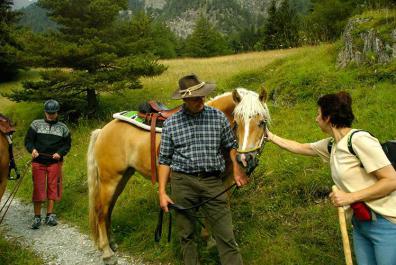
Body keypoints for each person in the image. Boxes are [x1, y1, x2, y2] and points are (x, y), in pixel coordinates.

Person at [266, 91, 396, 265]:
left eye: (318, 114)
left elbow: (391, 180)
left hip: (386, 223)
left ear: (328, 117)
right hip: (361, 224)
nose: (316, 118)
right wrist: (269, 136)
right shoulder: (333, 145)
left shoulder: (359, 140)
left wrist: (350, 197)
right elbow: (300, 147)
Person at [158, 74, 248, 265]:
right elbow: (164, 159)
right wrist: (162, 192)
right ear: (184, 99)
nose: (201, 100)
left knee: (226, 234)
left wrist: (237, 169)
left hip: (212, 182)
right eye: (196, 97)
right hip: (182, 183)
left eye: (203, 96)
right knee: (187, 236)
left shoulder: (218, 118)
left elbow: (231, 145)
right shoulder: (171, 124)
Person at [24, 99, 71, 229]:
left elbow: (67, 145)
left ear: (57, 113)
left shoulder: (63, 128)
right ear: (45, 112)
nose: (51, 115)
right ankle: (37, 217)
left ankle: (50, 215)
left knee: (52, 187)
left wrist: (60, 153)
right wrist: (32, 150)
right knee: (38, 188)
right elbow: (28, 141)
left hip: (54, 162)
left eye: (53, 113)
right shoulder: (36, 125)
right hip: (38, 162)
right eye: (48, 113)